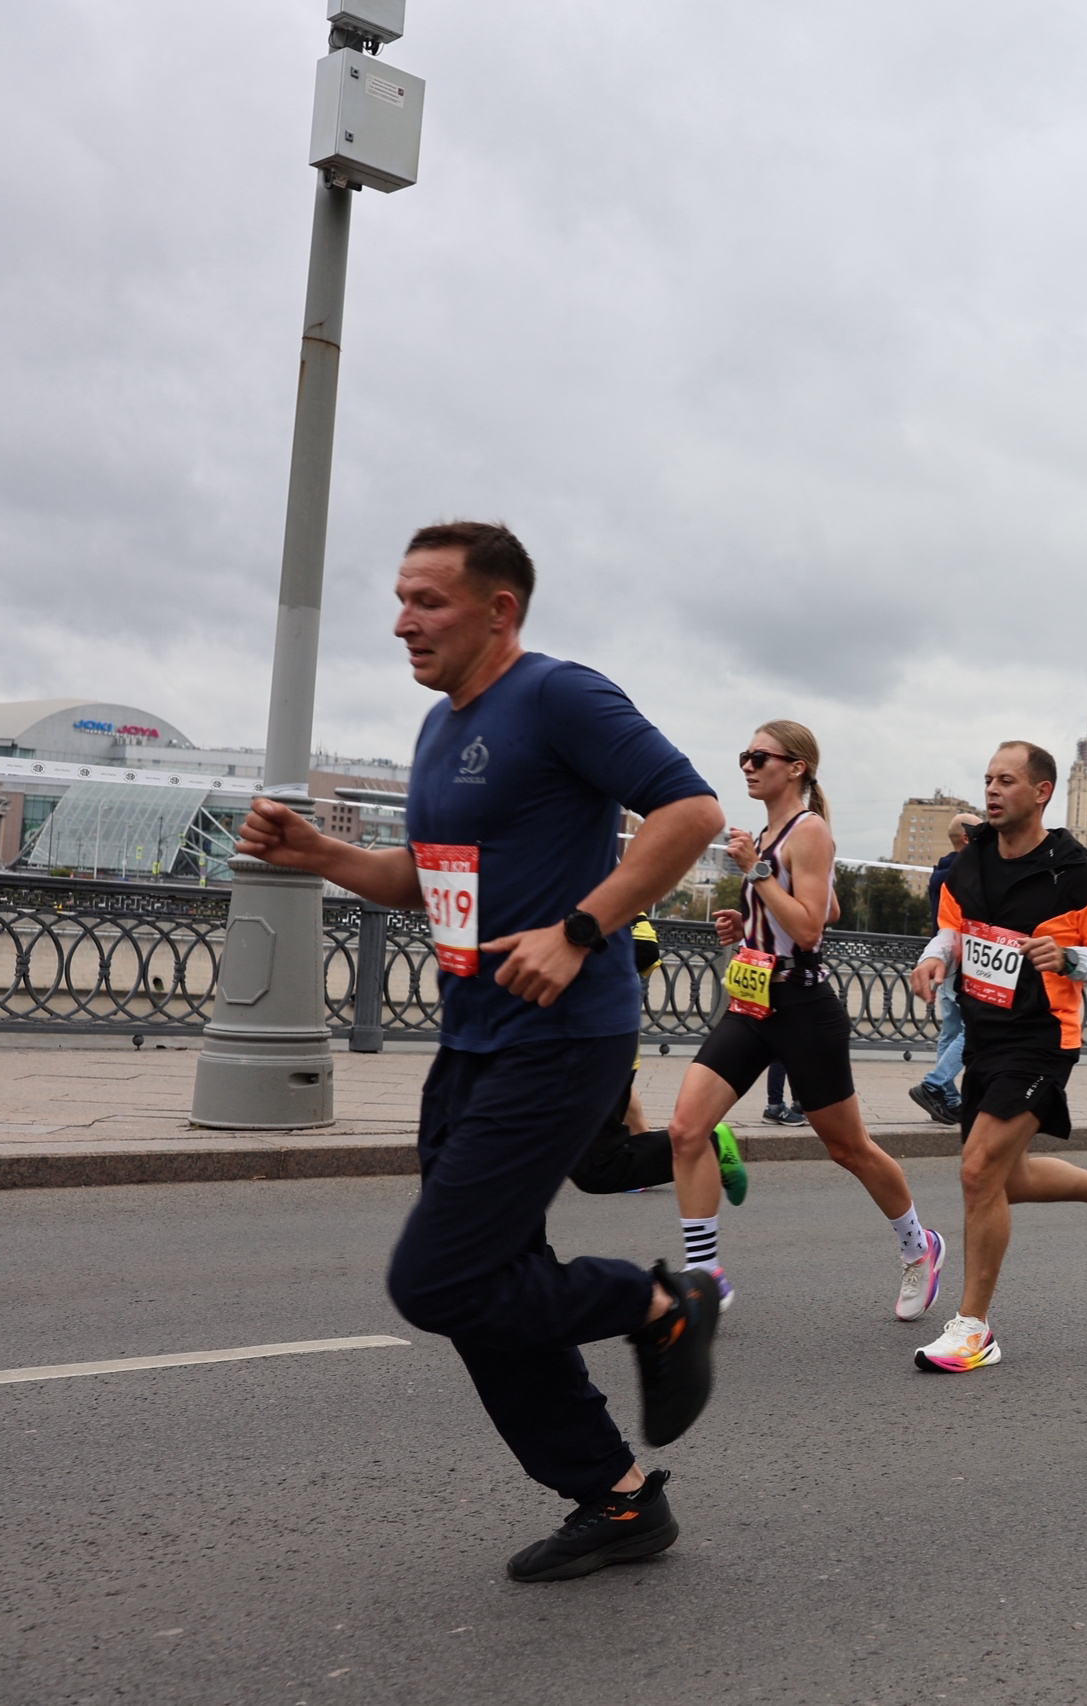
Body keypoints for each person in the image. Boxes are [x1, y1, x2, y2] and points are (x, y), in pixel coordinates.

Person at [235, 520, 726, 1581]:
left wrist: (578, 928)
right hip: (473, 1038)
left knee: (437, 1279)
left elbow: (691, 811)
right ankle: (617, 1496)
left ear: (499, 609)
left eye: (430, 600)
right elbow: (426, 878)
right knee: (489, 1284)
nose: (405, 620)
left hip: (562, 1036)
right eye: (401, 599)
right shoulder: (434, 727)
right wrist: (319, 852)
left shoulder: (559, 695)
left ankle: (657, 1305)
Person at [663, 721, 946, 1321]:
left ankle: (919, 1249)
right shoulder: (767, 833)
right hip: (753, 1002)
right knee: (687, 1129)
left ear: (796, 767)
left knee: (848, 1148)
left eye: (759, 756)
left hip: (803, 1009)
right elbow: (827, 906)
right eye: (744, 755)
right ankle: (704, 1273)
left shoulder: (808, 831)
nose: (747, 764)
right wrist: (745, 926)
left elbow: (814, 930)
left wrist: (757, 874)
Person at [907, 742, 1087, 1372]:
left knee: (976, 1172)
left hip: (1043, 1038)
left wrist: (1073, 959)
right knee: (1004, 1179)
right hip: (985, 1035)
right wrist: (935, 956)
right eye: (987, 779)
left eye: (1006, 780)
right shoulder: (971, 862)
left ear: (1041, 791)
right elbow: (953, 927)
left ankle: (973, 1329)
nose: (991, 790)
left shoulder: (1079, 873)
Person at [565, 916, 752, 1201]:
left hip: (591, 1040)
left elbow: (646, 949)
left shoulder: (602, 882)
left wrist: (567, 955)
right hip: (538, 1039)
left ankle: (708, 1142)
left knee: (596, 1166)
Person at [909, 813, 982, 1124]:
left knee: (951, 1031)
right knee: (974, 1030)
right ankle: (936, 1085)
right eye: (980, 833)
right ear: (967, 838)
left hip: (944, 961)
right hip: (966, 962)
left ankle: (949, 1099)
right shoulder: (967, 873)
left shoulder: (939, 872)